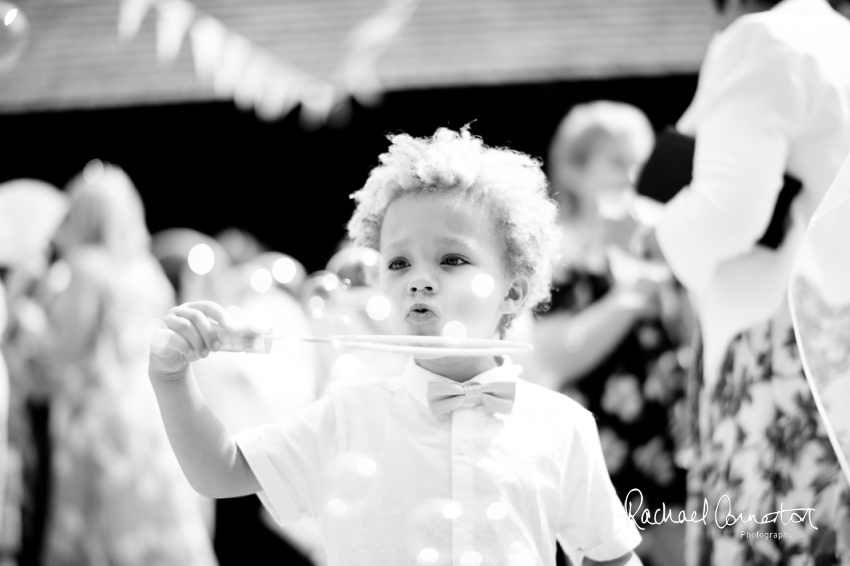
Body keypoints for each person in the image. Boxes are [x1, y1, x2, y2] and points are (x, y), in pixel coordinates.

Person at [147, 127, 644, 566]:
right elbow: (220, 471)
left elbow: (611, 556)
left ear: (513, 291)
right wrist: (171, 380)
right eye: (399, 263)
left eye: (451, 259)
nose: (419, 281)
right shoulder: (348, 416)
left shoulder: (563, 426)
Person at [648, 0, 850, 563]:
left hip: (776, 346)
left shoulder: (760, 39)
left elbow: (731, 209)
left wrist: (658, 236)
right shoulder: (842, 39)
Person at [526, 101, 691, 566]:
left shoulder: (655, 239)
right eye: (618, 161)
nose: (633, 174)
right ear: (575, 171)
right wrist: (625, 300)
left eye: (641, 161)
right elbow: (556, 355)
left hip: (664, 440)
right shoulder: (560, 254)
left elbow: (687, 339)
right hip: (601, 446)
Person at [36, 161, 218, 566]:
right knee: (149, 520)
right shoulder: (146, 270)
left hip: (96, 416)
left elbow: (66, 352)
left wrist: (33, 332)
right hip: (149, 412)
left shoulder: (84, 269)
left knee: (95, 528)